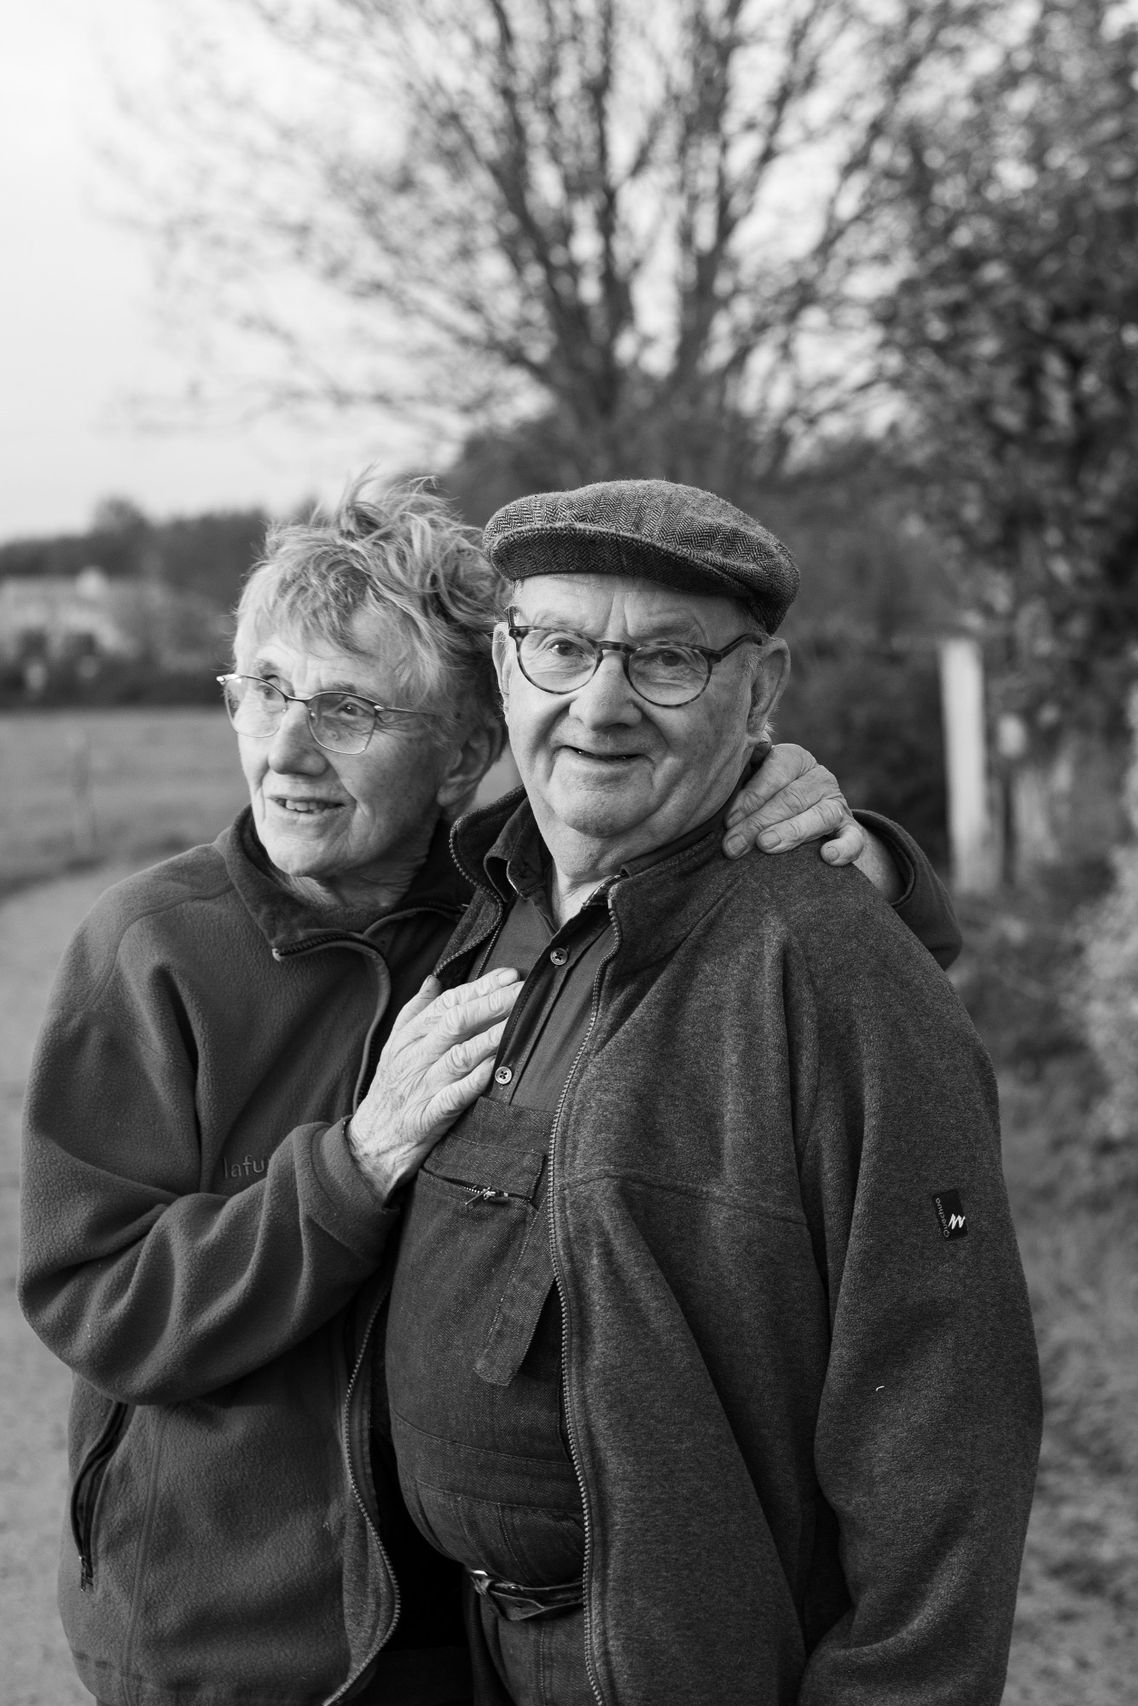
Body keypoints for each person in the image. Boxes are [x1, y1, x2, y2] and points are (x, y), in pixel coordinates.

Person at [20, 475, 960, 1706]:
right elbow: (100, 1299)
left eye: (350, 707)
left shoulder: (509, 906)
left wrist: (855, 843)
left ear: (469, 749)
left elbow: (670, 826)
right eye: (264, 690)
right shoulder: (147, 947)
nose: (289, 748)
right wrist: (348, 1168)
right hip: (223, 1632)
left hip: (442, 1631)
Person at [381, 478, 1042, 1706]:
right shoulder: (479, 904)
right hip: (443, 1652)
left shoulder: (836, 969)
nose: (602, 703)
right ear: (504, 659)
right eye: (564, 645)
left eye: (667, 658)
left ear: (763, 686)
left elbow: (947, 1443)